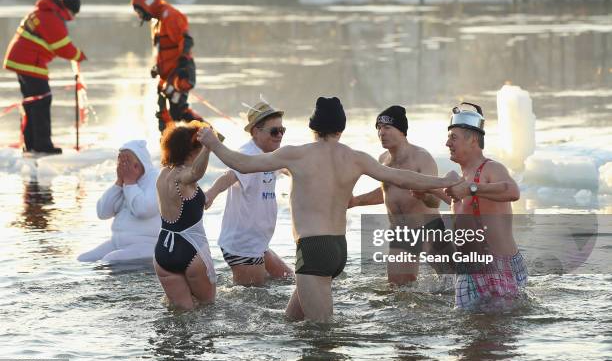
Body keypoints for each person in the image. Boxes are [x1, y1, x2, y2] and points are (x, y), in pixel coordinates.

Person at [198, 97, 460, 322]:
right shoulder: (357, 157)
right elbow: (403, 178)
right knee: (291, 321)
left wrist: (213, 143)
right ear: (341, 128)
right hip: (337, 249)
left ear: (313, 125)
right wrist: (444, 182)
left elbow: (241, 163)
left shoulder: (295, 155)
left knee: (321, 337)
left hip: (313, 249)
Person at [349, 105, 454, 284]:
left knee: (453, 284)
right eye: (379, 128)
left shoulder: (421, 158)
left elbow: (436, 201)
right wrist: (355, 201)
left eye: (387, 128)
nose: (382, 132)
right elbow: (385, 191)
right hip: (401, 233)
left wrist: (424, 196)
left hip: (429, 230)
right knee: (398, 289)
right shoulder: (383, 159)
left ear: (402, 131)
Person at [442, 102, 527, 309]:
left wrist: (472, 188)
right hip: (467, 270)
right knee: (467, 335)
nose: (447, 143)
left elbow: (512, 191)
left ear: (472, 140)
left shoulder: (490, 168)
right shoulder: (462, 178)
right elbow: (463, 210)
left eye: (453, 137)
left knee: (496, 335)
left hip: (498, 266)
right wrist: (424, 194)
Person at [205, 100, 293, 286]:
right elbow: (229, 176)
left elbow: (290, 168)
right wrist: (211, 193)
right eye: (274, 131)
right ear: (255, 131)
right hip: (243, 245)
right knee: (254, 298)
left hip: (258, 244)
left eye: (282, 131)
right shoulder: (247, 155)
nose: (279, 136)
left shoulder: (272, 155)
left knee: (288, 280)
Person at [3, 0, 86, 154]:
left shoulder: (43, 11)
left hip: (22, 60)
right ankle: (42, 145)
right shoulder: (52, 18)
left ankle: (31, 143)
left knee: (31, 102)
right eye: (73, 15)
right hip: (29, 62)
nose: (71, 19)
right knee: (42, 100)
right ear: (69, 9)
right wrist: (79, 56)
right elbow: (63, 47)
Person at [155, 122, 216, 310]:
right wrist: (209, 146)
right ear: (191, 151)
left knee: (182, 313)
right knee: (208, 309)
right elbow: (196, 172)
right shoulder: (183, 177)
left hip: (163, 253)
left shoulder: (163, 175)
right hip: (191, 249)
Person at [130, 0, 202, 133]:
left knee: (179, 111)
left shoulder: (170, 16)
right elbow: (164, 51)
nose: (139, 16)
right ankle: (167, 144)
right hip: (167, 75)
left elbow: (186, 40)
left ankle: (212, 138)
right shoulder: (157, 21)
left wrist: (183, 64)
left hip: (180, 71)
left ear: (147, 6)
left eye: (139, 11)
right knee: (163, 112)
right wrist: (158, 68)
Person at [78, 140, 160, 264]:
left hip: (147, 245)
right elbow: (102, 213)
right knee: (84, 259)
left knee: (110, 260)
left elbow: (143, 210)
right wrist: (118, 184)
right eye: (120, 162)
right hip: (118, 243)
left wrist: (130, 183)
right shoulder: (125, 181)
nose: (123, 166)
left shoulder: (155, 179)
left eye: (127, 162)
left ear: (138, 164)